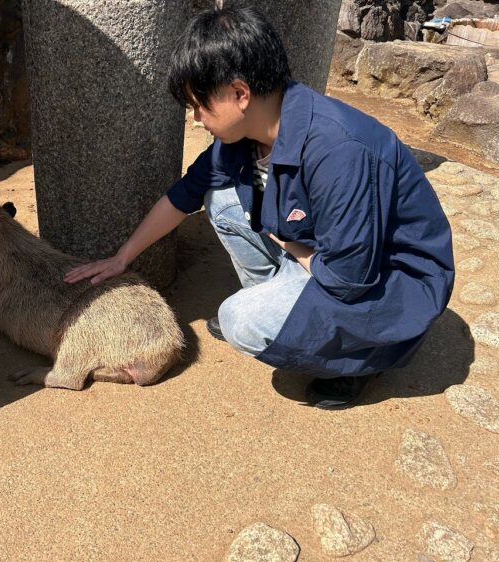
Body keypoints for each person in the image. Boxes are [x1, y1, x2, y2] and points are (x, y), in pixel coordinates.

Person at [64, 6, 454, 408]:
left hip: (389, 283)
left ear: (239, 94)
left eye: (199, 105)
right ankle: (279, 302)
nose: (197, 119)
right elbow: (182, 197)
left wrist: (291, 246)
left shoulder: (338, 151)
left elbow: (347, 279)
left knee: (241, 321)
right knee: (222, 200)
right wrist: (121, 257)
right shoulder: (246, 136)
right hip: (319, 248)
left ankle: (358, 361)